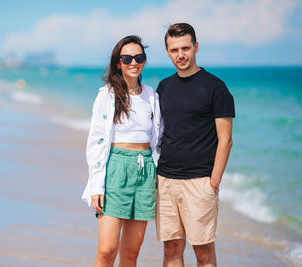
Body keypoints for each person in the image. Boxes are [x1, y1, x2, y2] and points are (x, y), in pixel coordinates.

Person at [155, 23, 235, 267]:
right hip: (166, 180)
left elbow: (226, 140)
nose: (181, 54)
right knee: (171, 249)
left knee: (203, 253)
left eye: (186, 48)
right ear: (168, 52)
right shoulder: (164, 87)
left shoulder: (216, 87)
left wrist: (213, 183)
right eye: (175, 49)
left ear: (196, 47)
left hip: (200, 182)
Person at [81, 35, 162, 267]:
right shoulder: (106, 95)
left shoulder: (151, 95)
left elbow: (161, 140)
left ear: (144, 61)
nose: (133, 62)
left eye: (139, 57)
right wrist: (96, 184)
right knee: (107, 250)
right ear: (118, 62)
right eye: (127, 58)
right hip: (115, 170)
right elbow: (96, 141)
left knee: (131, 253)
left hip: (145, 171)